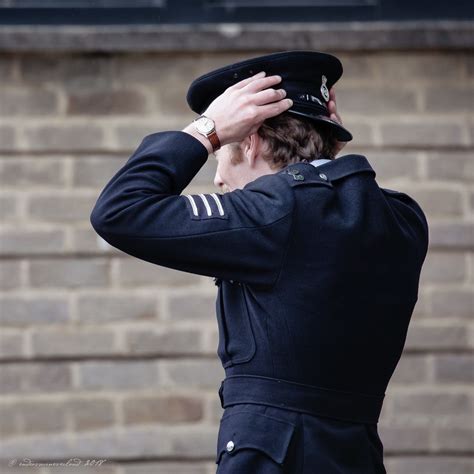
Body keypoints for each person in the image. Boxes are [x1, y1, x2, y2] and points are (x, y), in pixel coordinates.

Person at [90, 51, 429, 474]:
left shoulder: (277, 214)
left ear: (250, 141)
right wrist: (321, 149)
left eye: (221, 156)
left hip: (275, 455)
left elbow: (119, 211)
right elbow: (327, 200)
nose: (217, 178)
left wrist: (206, 130)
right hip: (354, 454)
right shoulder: (401, 217)